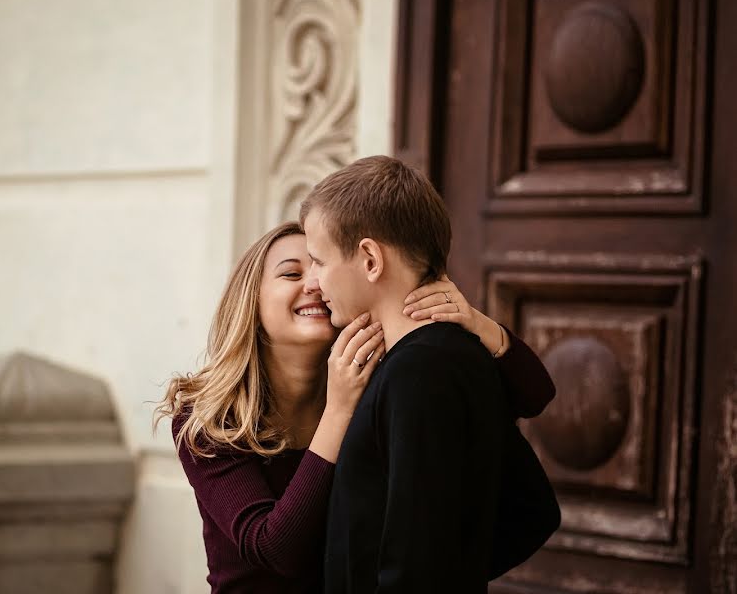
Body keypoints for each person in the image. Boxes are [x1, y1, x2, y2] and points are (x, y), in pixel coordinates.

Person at [156, 221, 558, 594]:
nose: (312, 284)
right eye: (292, 274)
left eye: (318, 269)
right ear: (251, 301)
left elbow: (533, 398)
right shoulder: (206, 418)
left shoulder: (382, 384)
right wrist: (338, 411)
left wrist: (478, 325)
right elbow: (275, 549)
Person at [300, 155, 559, 593]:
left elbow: (417, 565)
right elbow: (532, 512)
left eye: (319, 261)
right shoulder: (426, 360)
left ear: (369, 259)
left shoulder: (422, 373)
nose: (312, 281)